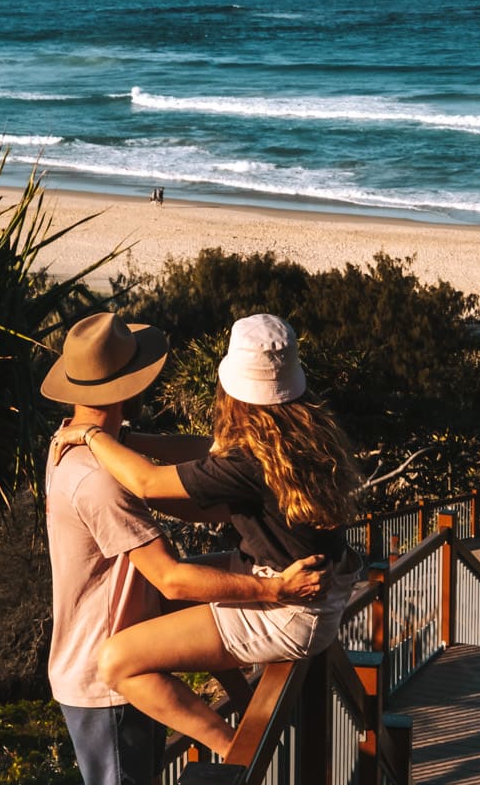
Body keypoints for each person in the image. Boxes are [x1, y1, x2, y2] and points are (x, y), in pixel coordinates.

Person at [39, 309, 329, 785]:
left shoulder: (79, 445)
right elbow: (169, 577)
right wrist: (273, 591)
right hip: (103, 673)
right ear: (128, 388)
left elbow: (186, 457)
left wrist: (112, 437)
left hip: (108, 655)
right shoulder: (100, 481)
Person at [81, 314, 363, 742]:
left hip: (290, 609)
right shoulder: (294, 433)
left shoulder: (250, 462)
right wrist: (130, 439)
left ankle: (235, 750)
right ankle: (247, 706)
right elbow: (204, 452)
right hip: (308, 596)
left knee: (117, 662)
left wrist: (92, 436)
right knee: (155, 598)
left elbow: (147, 483)